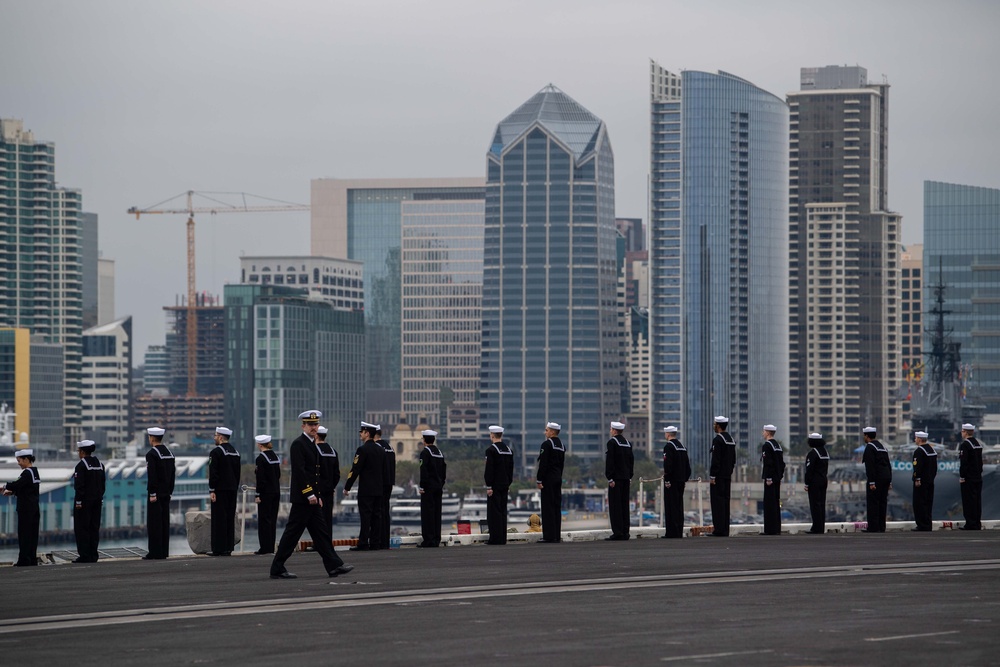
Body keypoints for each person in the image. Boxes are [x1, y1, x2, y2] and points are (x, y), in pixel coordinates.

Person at [270, 410, 353, 580]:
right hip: (303, 499)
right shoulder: (298, 444)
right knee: (292, 534)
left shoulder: (311, 444)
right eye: (311, 425)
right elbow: (300, 472)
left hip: (312, 498)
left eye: (316, 424)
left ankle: (334, 566)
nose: (314, 427)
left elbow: (314, 474)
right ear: (303, 426)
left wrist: (318, 495)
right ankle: (277, 568)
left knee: (321, 533)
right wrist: (309, 494)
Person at [344, 421, 384, 551]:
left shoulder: (362, 450)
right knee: (376, 516)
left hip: (366, 489)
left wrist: (347, 486)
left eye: (362, 432)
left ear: (367, 433)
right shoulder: (380, 450)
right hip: (379, 488)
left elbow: (355, 469)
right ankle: (375, 543)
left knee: (365, 516)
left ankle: (363, 543)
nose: (360, 434)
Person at [2, 449, 40, 566]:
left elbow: (16, 484)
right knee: (33, 535)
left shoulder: (27, 473)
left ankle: (24, 560)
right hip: (34, 507)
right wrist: (13, 492)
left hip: (26, 509)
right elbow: (27, 489)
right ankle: (31, 559)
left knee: (24, 535)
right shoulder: (35, 472)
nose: (18, 463)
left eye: (19, 460)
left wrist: (4, 486)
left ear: (26, 459)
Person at [208, 426, 241, 556]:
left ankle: (218, 548)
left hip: (220, 490)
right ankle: (228, 547)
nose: (214, 438)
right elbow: (237, 473)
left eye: (216, 435)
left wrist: (212, 489)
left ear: (221, 437)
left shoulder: (216, 452)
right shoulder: (235, 452)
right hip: (232, 489)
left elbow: (213, 473)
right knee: (229, 518)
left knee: (218, 519)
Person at [72, 439, 106, 563]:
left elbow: (79, 486)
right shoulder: (100, 465)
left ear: (82, 452)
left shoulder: (81, 466)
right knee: (94, 528)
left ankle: (84, 555)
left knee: (82, 528)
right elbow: (103, 485)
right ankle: (93, 554)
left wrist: (79, 502)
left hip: (84, 502)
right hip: (97, 501)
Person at [144, 427, 175, 560]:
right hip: (166, 493)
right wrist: (170, 491)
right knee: (164, 522)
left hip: (156, 494)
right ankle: (163, 551)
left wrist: (152, 493)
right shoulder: (169, 453)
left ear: (151, 438)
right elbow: (173, 475)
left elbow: (152, 476)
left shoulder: (152, 454)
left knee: (154, 523)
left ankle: (155, 552)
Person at [535, 421, 565, 543]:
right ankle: (556, 535)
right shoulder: (562, 445)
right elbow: (562, 464)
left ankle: (548, 536)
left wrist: (539, 479)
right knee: (556, 507)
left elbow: (543, 464)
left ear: (552, 432)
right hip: (558, 478)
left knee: (547, 508)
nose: (545, 432)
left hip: (548, 480)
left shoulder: (547, 445)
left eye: (547, 430)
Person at [484, 425, 514, 545]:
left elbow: (489, 469)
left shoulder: (491, 450)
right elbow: (511, 469)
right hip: (505, 484)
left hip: (495, 485)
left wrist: (489, 485)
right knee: (503, 511)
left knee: (494, 512)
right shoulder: (508, 450)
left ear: (492, 435)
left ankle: (495, 538)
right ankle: (502, 538)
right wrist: (508, 483)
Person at [604, 420, 634, 541]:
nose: (610, 431)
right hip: (626, 478)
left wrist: (610, 477)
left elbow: (610, 461)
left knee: (615, 506)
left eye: (611, 429)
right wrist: (630, 475)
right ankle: (625, 531)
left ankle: (617, 532)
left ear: (615, 430)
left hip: (616, 479)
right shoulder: (628, 443)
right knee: (624, 506)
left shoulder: (612, 442)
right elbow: (631, 461)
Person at [417, 429, 446, 548]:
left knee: (427, 513)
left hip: (428, 487)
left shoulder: (425, 453)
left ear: (424, 440)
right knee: (437, 513)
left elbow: (423, 471)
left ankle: (428, 539)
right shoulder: (439, 453)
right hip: (438, 487)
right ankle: (436, 538)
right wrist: (441, 483)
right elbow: (444, 470)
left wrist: (422, 486)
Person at [661, 426, 691, 539]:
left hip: (672, 481)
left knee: (671, 506)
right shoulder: (682, 447)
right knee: (679, 506)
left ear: (668, 434)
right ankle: (678, 531)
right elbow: (687, 466)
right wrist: (685, 478)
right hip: (681, 481)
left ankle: (671, 532)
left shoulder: (669, 447)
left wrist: (667, 480)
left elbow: (668, 465)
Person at [708, 416, 736, 536]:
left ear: (718, 426)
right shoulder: (731, 439)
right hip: (727, 475)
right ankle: (725, 529)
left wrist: (713, 476)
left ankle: (718, 529)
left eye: (715, 424)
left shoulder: (718, 440)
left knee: (717, 502)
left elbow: (716, 460)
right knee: (725, 502)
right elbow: (733, 460)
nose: (714, 426)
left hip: (718, 476)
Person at [253, 434, 281, 555]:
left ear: (259, 445)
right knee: (272, 520)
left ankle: (265, 548)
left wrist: (257, 494)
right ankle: (271, 546)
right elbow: (278, 474)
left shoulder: (261, 458)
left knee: (264, 520)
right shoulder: (275, 456)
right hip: (276, 491)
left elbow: (261, 478)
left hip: (265, 493)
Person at [861, 426, 892, 533]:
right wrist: (890, 481)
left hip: (876, 478)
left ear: (866, 436)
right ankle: (881, 526)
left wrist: (872, 482)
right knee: (883, 503)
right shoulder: (882, 447)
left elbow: (870, 466)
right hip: (886, 478)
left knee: (873, 503)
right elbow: (888, 464)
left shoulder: (870, 447)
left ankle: (873, 527)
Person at [760, 424, 785, 536]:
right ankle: (776, 528)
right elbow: (781, 464)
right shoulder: (778, 446)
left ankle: (769, 529)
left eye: (764, 431)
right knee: (776, 503)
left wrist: (769, 477)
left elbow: (768, 463)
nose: (763, 433)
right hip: (777, 478)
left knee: (769, 503)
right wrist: (779, 476)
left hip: (770, 479)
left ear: (768, 433)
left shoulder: (767, 446)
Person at [958, 423, 984, 530]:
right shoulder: (977, 443)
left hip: (968, 478)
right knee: (977, 501)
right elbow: (980, 462)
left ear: (965, 432)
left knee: (968, 501)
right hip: (978, 476)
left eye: (962, 431)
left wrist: (962, 476)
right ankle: (977, 522)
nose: (961, 433)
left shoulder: (965, 445)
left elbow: (964, 463)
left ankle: (970, 523)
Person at [803, 433, 829, 534]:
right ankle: (820, 527)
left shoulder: (813, 453)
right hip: (823, 480)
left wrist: (806, 483)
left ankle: (816, 528)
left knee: (815, 505)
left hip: (814, 482)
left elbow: (809, 470)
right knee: (821, 504)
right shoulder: (825, 452)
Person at [316, 425, 340, 534]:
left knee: (318, 518)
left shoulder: (314, 450)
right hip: (329, 490)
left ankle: (319, 543)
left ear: (316, 435)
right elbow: (337, 474)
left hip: (318, 490)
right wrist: (332, 486)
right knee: (328, 517)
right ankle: (327, 541)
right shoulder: (333, 451)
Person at [911, 430, 937, 531]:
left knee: (919, 503)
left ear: (919, 439)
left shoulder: (919, 451)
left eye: (916, 438)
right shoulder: (932, 450)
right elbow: (934, 468)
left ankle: (921, 525)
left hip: (921, 482)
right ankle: (927, 524)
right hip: (930, 481)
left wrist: (917, 478)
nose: (915, 440)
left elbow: (917, 467)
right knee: (928, 503)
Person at [375, 425, 396, 550]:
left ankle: (378, 540)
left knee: (378, 512)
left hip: (380, 483)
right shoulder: (390, 448)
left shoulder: (377, 447)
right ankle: (385, 540)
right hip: (389, 482)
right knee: (385, 512)